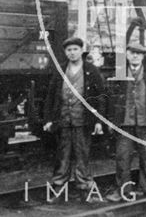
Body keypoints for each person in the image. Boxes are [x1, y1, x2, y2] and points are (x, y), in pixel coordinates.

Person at [43, 36, 106, 201]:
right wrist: (49, 119)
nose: (72, 53)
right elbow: (51, 96)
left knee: (81, 155)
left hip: (82, 121)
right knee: (62, 156)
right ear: (65, 52)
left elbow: (100, 97)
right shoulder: (60, 70)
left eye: (75, 49)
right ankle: (58, 189)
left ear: (81, 51)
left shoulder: (92, 70)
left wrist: (99, 121)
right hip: (63, 120)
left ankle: (86, 190)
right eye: (69, 50)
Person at [107, 42, 146, 202]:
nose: (135, 56)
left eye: (138, 54)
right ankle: (123, 191)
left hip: (145, 123)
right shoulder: (119, 73)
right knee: (122, 157)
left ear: (142, 56)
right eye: (132, 53)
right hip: (125, 123)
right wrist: (111, 120)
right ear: (127, 54)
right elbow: (111, 98)